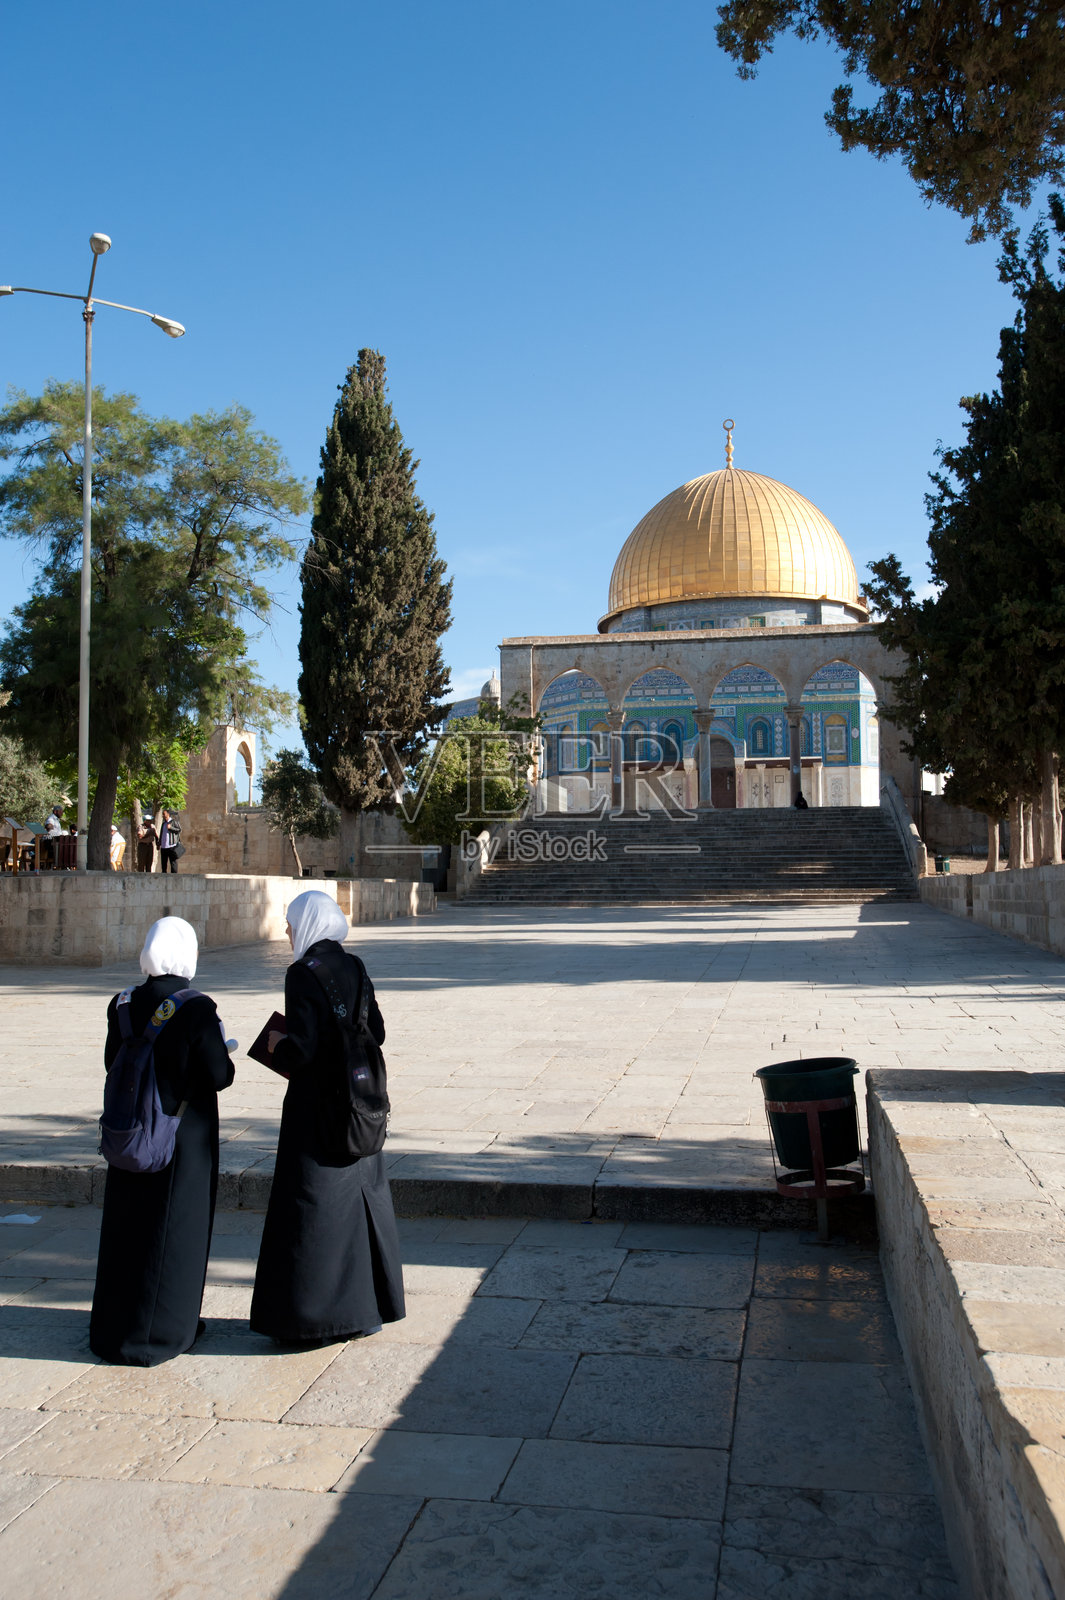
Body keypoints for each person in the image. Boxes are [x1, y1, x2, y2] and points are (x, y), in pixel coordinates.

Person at [249, 890, 405, 1344]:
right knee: (359, 1201)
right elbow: (375, 1030)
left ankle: (313, 1316)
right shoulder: (354, 966)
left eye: (292, 923)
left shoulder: (301, 974)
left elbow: (303, 1046)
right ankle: (367, 1308)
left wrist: (277, 1045)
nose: (288, 930)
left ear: (308, 924)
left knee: (312, 1205)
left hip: (316, 1109)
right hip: (357, 1105)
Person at [90, 917, 235, 1366]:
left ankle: (115, 1329)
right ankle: (165, 1331)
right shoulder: (195, 1007)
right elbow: (218, 1076)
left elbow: (115, 1060)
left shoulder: (123, 1001)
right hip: (181, 1137)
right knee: (171, 1235)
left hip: (130, 1131)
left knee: (125, 1233)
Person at [158, 808, 182, 873]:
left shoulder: (174, 822)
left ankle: (174, 877)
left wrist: (171, 828)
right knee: (163, 864)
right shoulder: (163, 824)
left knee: (173, 863)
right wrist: (159, 843)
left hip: (172, 846)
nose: (163, 815)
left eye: (164, 814)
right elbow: (161, 834)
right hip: (163, 847)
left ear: (168, 814)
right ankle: (164, 876)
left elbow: (179, 830)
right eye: (162, 814)